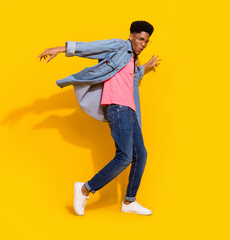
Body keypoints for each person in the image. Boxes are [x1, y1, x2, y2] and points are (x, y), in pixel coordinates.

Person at [38, 20, 161, 216]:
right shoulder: (119, 46)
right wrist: (61, 48)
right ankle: (85, 189)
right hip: (117, 108)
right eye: (141, 39)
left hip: (130, 111)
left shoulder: (132, 60)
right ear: (131, 36)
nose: (143, 44)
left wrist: (145, 67)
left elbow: (131, 76)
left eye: (147, 41)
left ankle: (129, 201)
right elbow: (90, 48)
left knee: (141, 154)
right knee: (124, 157)